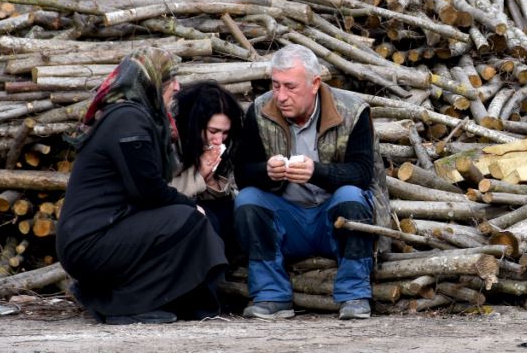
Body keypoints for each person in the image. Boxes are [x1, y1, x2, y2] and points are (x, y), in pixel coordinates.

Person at [56, 48, 227, 325]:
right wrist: (190, 205)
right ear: (151, 82)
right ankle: (120, 305)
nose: (177, 86)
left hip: (107, 230)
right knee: (187, 219)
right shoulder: (128, 120)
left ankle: (162, 302)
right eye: (170, 79)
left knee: (188, 218)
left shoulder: (138, 117)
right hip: (90, 241)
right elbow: (147, 190)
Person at [233, 44, 389, 321]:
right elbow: (243, 172)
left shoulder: (353, 111)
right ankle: (271, 295)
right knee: (247, 200)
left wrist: (316, 172)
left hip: (332, 220)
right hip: (287, 220)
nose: (280, 96)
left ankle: (354, 293)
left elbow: (363, 173)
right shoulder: (259, 111)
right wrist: (266, 171)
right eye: (276, 85)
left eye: (290, 87)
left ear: (315, 83)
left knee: (352, 196)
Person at [170, 80, 245, 259]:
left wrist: (212, 181)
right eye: (213, 131)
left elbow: (231, 186)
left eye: (225, 133)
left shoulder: (225, 145)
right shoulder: (171, 140)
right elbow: (160, 191)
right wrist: (198, 176)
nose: (219, 139)